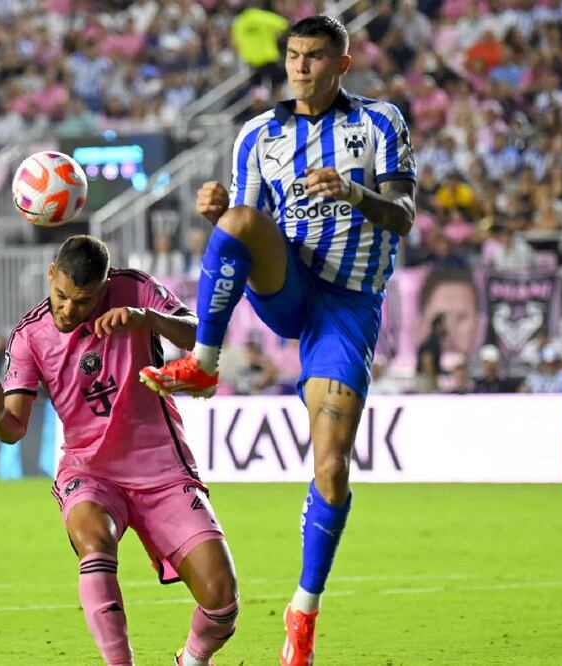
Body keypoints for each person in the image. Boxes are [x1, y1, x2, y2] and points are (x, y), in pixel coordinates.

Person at [138, 16, 416, 665]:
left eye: (314, 57)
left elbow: (403, 215)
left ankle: (303, 610)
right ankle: (203, 364)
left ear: (341, 65)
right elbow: (248, 224)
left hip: (347, 307)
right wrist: (219, 218)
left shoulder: (380, 123)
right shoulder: (258, 134)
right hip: (289, 284)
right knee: (237, 217)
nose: (300, 67)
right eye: (293, 56)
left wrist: (354, 191)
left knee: (331, 469)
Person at [0, 236, 238, 666]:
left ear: (106, 286)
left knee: (222, 602)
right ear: (51, 275)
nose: (68, 310)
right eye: (61, 296)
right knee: (94, 541)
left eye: (83, 301)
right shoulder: (29, 335)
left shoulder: (135, 289)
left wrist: (146, 319)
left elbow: (202, 335)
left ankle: (191, 659)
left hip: (163, 469)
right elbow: (13, 431)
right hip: (89, 472)